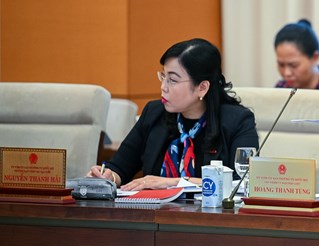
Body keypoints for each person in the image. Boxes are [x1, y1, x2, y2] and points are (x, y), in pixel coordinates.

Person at [88, 38, 258, 190]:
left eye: (173, 80)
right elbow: (120, 167)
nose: (163, 87)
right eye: (163, 76)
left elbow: (242, 182)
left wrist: (172, 182)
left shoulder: (238, 121)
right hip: (154, 218)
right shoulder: (153, 114)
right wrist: (109, 176)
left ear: (202, 87)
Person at [274, 19, 319, 90]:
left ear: (314, 57)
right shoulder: (281, 88)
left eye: (294, 65)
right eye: (281, 65)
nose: (287, 73)